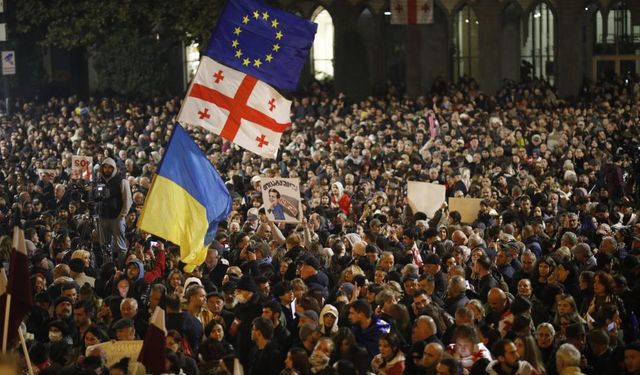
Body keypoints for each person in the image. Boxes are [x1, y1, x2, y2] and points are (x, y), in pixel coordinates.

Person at [97, 157, 132, 262]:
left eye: (109, 168)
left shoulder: (122, 181)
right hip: (103, 217)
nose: (107, 170)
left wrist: (121, 216)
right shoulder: (99, 180)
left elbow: (128, 201)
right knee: (105, 246)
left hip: (117, 218)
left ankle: (121, 268)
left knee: (120, 247)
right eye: (105, 167)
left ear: (114, 168)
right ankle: (107, 268)